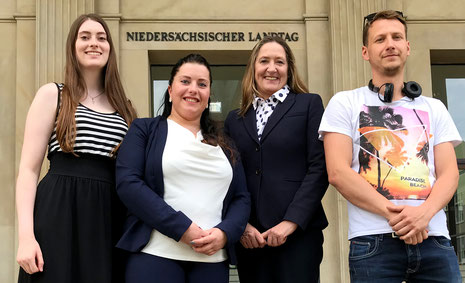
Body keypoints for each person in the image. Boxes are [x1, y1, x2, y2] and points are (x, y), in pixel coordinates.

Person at [319, 10, 463, 282]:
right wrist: (398, 216)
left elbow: (450, 173)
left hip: (434, 240)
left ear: (407, 47)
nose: (390, 44)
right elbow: (337, 172)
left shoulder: (434, 108)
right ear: (365, 51)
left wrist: (423, 216)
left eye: (397, 37)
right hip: (372, 243)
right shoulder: (345, 102)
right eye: (380, 39)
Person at [15, 13, 137, 283]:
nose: (94, 43)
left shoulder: (126, 109)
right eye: (85, 37)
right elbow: (28, 170)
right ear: (73, 46)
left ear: (109, 49)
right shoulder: (53, 94)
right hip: (57, 210)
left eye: (101, 38)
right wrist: (26, 237)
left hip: (108, 216)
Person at [115, 53, 250, 283]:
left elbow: (241, 197)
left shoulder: (225, 142)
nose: (193, 89)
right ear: (169, 90)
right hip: (155, 256)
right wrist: (183, 228)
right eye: (185, 81)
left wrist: (225, 233)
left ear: (208, 95)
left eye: (202, 84)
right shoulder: (144, 130)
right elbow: (129, 183)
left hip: (212, 262)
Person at [224, 36, 328, 283]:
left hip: (298, 236)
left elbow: (320, 167)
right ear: (253, 68)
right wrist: (242, 225)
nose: (272, 68)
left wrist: (290, 223)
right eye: (264, 61)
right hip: (251, 240)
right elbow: (229, 176)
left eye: (279, 62)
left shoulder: (309, 104)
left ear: (289, 69)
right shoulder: (234, 119)